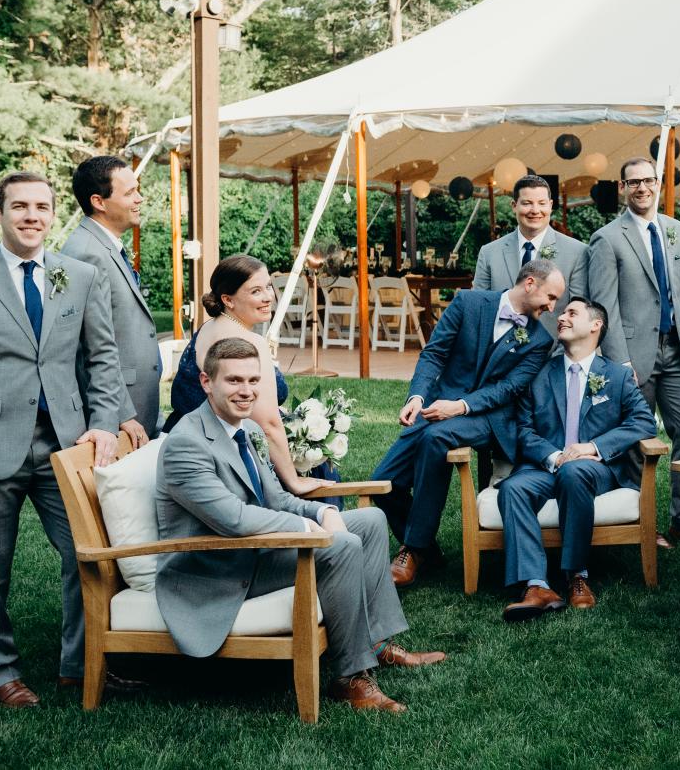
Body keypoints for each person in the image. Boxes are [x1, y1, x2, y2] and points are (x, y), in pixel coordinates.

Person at [156, 338, 444, 715]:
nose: (247, 391)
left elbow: (276, 500)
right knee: (338, 547)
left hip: (258, 550)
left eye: (253, 381)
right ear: (207, 382)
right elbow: (234, 519)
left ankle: (374, 642)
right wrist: (310, 530)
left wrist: (321, 514)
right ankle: (351, 677)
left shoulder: (248, 431)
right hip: (216, 568)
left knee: (371, 521)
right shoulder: (187, 444)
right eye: (234, 381)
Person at [0, 171, 124, 707]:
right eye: (19, 206)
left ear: (54, 213)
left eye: (41, 206)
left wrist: (104, 422)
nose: (32, 216)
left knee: (89, 555)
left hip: (64, 445)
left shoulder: (78, 276)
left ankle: (79, 663)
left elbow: (102, 357)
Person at [372, 259, 563, 586]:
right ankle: (429, 552)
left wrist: (460, 406)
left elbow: (508, 389)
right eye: (551, 296)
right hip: (438, 405)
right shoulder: (467, 302)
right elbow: (434, 354)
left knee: (436, 438)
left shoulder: (540, 340)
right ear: (529, 283)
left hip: (493, 417)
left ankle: (412, 550)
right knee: (384, 482)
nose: (552, 306)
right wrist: (417, 398)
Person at [497, 297, 657, 621]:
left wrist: (593, 447)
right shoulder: (540, 375)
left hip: (594, 469)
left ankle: (576, 575)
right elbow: (524, 430)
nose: (562, 318)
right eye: (562, 313)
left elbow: (643, 422)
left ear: (596, 325)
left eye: (572, 313)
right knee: (512, 488)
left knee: (575, 473)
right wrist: (555, 456)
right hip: (546, 465)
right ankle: (536, 585)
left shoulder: (616, 375)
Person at [587, 156, 680, 548]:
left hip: (677, 349)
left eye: (648, 181)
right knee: (636, 438)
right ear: (622, 188)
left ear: (659, 184)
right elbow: (603, 305)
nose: (642, 188)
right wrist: (620, 361)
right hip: (633, 353)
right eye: (632, 182)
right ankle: (641, 522)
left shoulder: (677, 231)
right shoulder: (607, 238)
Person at [163, 255, 336, 498]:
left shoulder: (207, 328)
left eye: (268, 286)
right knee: (322, 471)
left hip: (182, 438)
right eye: (256, 291)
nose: (268, 297)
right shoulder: (250, 342)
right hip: (226, 461)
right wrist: (294, 480)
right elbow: (267, 424)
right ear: (228, 299)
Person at [61, 155, 162, 444]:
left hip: (136, 403)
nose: (139, 198)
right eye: (130, 192)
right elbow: (87, 346)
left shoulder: (106, 247)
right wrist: (119, 413)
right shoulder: (86, 253)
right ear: (99, 201)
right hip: (118, 413)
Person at [473, 174, 588, 344]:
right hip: (499, 356)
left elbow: (579, 313)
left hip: (553, 354)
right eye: (527, 203)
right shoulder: (489, 252)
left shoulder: (577, 252)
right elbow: (478, 309)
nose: (535, 210)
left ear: (550, 206)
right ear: (514, 206)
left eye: (542, 203)